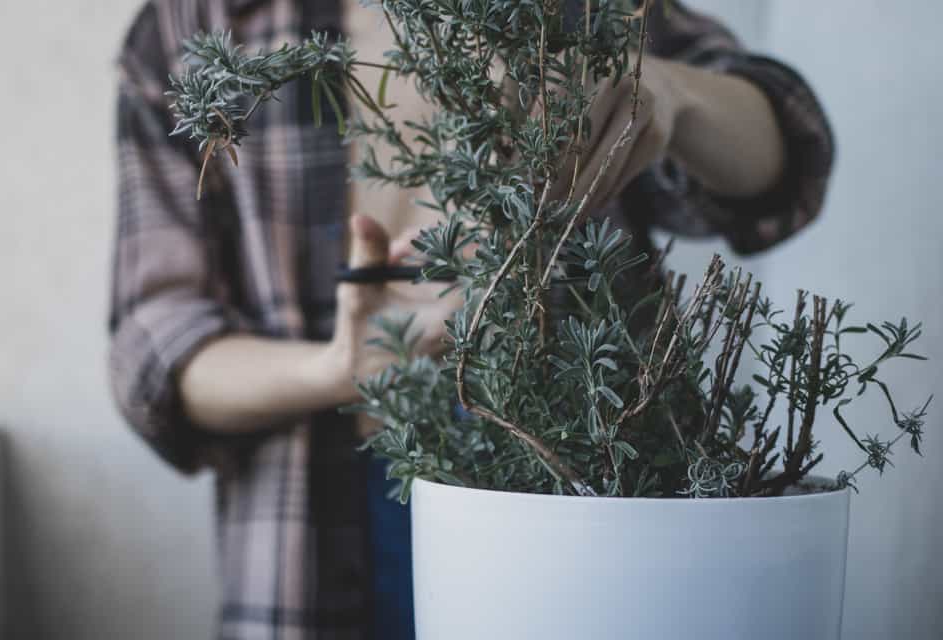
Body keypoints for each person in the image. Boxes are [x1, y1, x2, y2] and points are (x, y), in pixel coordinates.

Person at [109, 0, 834, 638]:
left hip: (577, 487)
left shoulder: (575, 9)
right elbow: (155, 348)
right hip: (318, 517)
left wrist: (672, 91)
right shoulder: (188, 23)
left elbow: (787, 153)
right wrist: (339, 367)